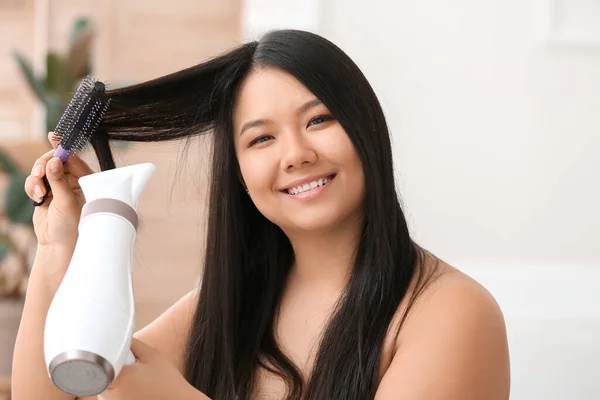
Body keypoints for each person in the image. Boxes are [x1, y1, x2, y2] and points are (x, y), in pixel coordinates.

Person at [13, 29, 510, 399]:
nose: (295, 154)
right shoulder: (226, 304)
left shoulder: (451, 313)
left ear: (367, 130)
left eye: (318, 119)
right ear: (239, 172)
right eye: (261, 138)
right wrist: (58, 249)